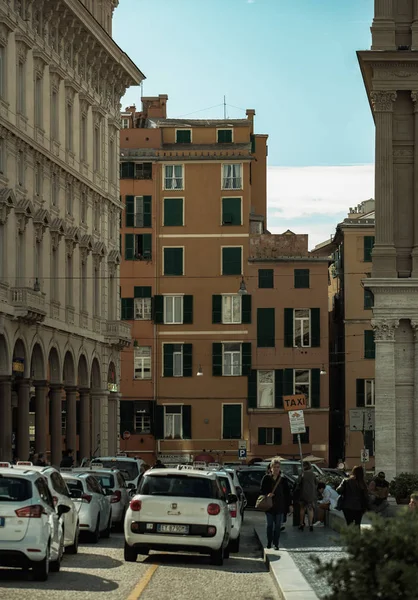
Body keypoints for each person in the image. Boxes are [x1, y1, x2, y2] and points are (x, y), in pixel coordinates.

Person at [260, 458, 293, 550]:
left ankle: (276, 543)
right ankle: (269, 542)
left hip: (280, 506)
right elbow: (261, 490)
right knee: (269, 525)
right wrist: (267, 494)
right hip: (269, 506)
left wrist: (290, 505)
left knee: (277, 526)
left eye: (278, 467)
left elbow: (287, 493)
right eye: (274, 467)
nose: (276, 469)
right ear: (271, 468)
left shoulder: (283, 480)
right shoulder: (266, 478)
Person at [298, 461, 317, 532]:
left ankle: (301, 523)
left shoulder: (302, 474)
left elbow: (298, 482)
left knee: (302, 509)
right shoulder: (313, 475)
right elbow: (316, 483)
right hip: (311, 494)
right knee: (310, 509)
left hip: (303, 494)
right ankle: (311, 524)